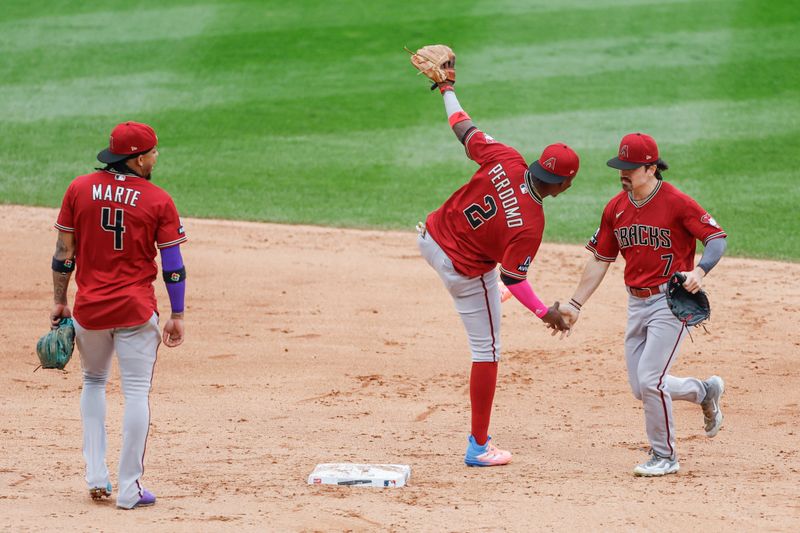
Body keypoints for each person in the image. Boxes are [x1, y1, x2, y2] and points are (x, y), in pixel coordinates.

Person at [415, 61, 576, 467]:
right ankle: (479, 446)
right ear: (562, 186)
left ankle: (491, 295)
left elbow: (463, 128)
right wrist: (545, 312)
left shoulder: (507, 158)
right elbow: (515, 276)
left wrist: (446, 87)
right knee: (487, 350)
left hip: (429, 236)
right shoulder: (532, 224)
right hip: (461, 272)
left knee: (493, 274)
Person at [558, 132, 727, 476]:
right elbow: (600, 259)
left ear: (651, 168)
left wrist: (700, 270)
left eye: (630, 168)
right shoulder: (615, 208)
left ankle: (665, 456)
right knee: (642, 387)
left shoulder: (677, 202)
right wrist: (575, 303)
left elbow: (716, 238)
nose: (623, 173)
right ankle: (704, 391)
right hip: (636, 303)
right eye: (621, 167)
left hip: (670, 301)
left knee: (651, 380)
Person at [50, 121, 188, 508]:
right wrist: (177, 312)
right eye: (154, 152)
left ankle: (96, 474)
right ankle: (129, 489)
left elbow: (63, 255)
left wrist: (60, 301)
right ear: (138, 158)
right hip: (135, 310)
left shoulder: (78, 189)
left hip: (89, 310)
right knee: (136, 393)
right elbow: (173, 265)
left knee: (93, 383)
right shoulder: (158, 199)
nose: (157, 157)